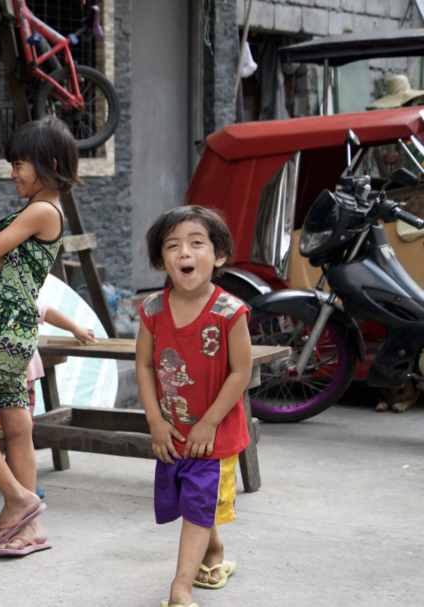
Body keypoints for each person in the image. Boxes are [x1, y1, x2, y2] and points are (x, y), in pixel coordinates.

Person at [0, 115, 84, 558]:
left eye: (20, 163)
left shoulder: (42, 210)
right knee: (18, 427)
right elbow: (7, 261)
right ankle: (31, 528)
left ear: (50, 162)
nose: (13, 173)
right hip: (17, 332)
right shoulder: (49, 210)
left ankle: (19, 498)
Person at [136, 206, 251, 607]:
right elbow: (146, 364)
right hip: (172, 431)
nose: (184, 252)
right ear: (160, 260)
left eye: (196, 243)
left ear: (218, 255)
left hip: (213, 437)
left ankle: (180, 588)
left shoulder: (229, 312)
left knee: (198, 504)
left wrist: (209, 423)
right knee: (192, 502)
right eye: (173, 246)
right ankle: (214, 554)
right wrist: (154, 420)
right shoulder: (152, 310)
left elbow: (241, 371)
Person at [0, 302, 96, 494]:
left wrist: (75, 328)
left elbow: (47, 312)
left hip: (24, 376)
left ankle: (20, 476)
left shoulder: (23, 298)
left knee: (23, 428)